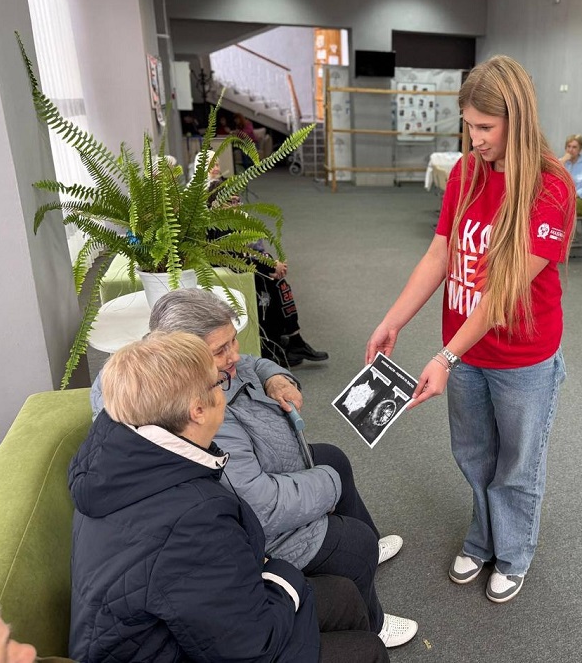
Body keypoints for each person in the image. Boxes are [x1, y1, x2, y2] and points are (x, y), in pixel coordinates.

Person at [89, 289, 417, 649]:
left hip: (267, 467)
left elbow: (250, 363)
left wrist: (275, 377)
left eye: (233, 340)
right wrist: (328, 485)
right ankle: (374, 621)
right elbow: (261, 506)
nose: (233, 354)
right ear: (188, 358)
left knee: (333, 458)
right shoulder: (196, 417)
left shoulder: (163, 364)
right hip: (261, 526)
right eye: (221, 350)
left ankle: (368, 547)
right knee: (353, 543)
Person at [366, 55, 575, 604]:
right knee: (474, 455)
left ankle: (514, 552)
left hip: (521, 357)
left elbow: (503, 292)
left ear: (517, 120)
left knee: (517, 465)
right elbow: (439, 254)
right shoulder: (466, 172)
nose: (475, 139)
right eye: (469, 126)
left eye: (486, 127)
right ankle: (483, 539)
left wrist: (444, 357)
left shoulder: (551, 187)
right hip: (465, 353)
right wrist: (393, 321)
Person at [205, 151, 329, 366]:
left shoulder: (228, 222)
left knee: (278, 283)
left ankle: (290, 340)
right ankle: (281, 343)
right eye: (230, 202)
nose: (236, 205)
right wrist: (270, 267)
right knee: (275, 285)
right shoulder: (219, 228)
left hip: (246, 268)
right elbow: (237, 260)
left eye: (237, 200)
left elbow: (247, 252)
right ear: (217, 204)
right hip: (237, 276)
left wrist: (270, 263)